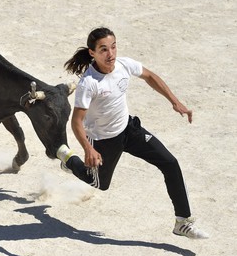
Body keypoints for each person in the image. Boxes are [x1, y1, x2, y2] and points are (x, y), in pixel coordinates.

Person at [57, 27, 208, 239]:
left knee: (170, 163)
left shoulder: (123, 65)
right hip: (103, 140)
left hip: (129, 129)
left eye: (113, 47)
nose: (111, 54)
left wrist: (175, 102)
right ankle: (68, 159)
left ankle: (183, 221)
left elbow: (149, 76)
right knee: (100, 184)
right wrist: (88, 148)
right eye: (103, 49)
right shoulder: (89, 83)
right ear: (92, 53)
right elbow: (76, 122)